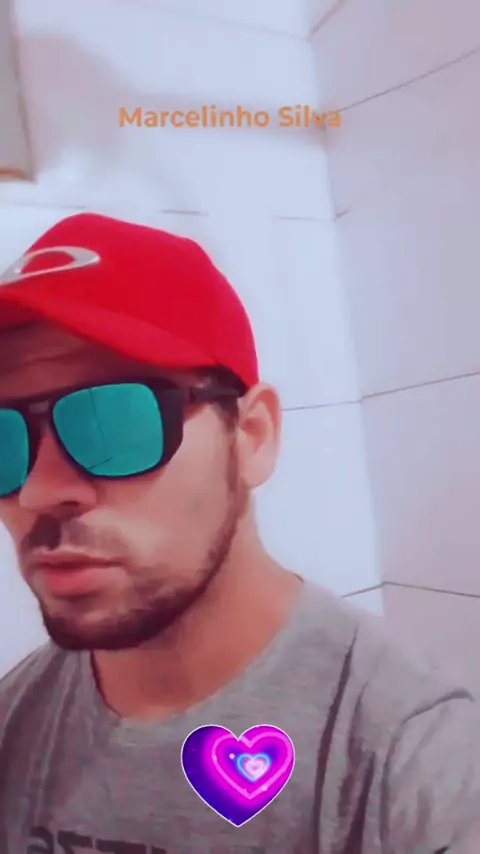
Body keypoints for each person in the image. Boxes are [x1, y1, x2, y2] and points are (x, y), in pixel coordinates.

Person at [0, 213, 478, 854]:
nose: (38, 491)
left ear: (251, 436)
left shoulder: (411, 763)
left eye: (114, 419)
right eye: (3, 437)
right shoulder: (14, 724)